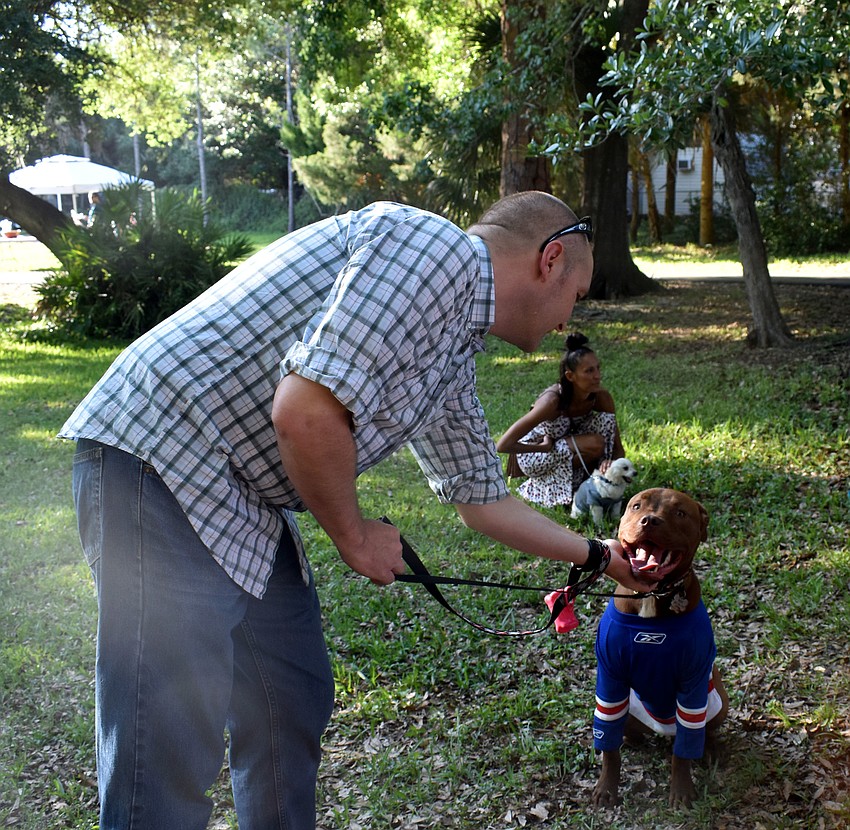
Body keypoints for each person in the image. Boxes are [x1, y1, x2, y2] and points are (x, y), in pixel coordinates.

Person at [60, 193, 655, 830]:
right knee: (168, 746)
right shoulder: (434, 253)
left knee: (289, 699)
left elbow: (485, 501)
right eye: (578, 293)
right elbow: (304, 409)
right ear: (551, 258)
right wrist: (353, 533)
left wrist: (601, 557)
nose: (572, 319)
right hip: (163, 457)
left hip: (245, 499)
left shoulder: (453, 345)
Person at [495, 332, 625, 509]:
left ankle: (583, 485)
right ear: (570, 376)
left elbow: (617, 448)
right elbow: (503, 445)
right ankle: (549, 487)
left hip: (569, 445)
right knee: (594, 443)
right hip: (536, 454)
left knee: (605, 422)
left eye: (597, 368)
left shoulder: (600, 397)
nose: (597, 376)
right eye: (589, 371)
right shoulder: (552, 401)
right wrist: (542, 447)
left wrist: (609, 463)